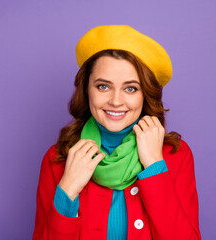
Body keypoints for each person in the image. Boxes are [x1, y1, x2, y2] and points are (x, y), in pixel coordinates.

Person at [32, 25, 201, 240]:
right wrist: (68, 188)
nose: (116, 101)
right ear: (87, 90)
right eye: (103, 86)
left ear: (145, 95)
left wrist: (155, 167)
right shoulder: (57, 159)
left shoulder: (176, 155)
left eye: (130, 88)